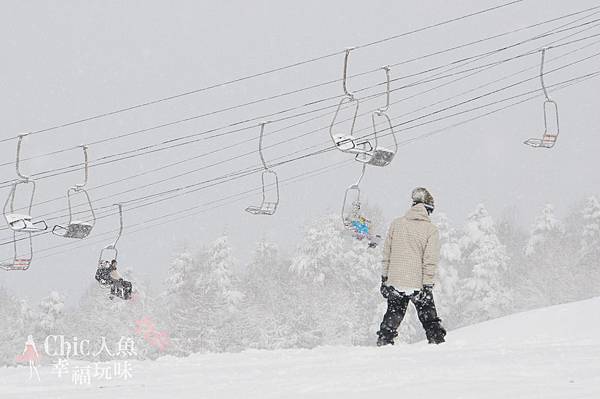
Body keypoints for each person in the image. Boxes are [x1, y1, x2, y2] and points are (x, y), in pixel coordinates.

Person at [376, 187, 446, 346]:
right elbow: (430, 260)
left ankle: (383, 344)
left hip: (395, 282)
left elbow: (387, 253)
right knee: (430, 320)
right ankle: (437, 345)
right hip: (417, 285)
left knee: (392, 317)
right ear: (428, 208)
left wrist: (384, 279)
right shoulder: (431, 230)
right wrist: (427, 286)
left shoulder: (396, 224)